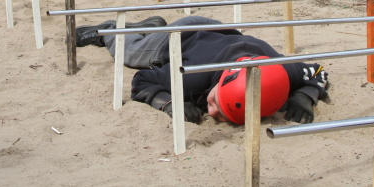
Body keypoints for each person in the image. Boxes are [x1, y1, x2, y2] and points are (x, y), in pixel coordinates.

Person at [76, 15, 330, 125]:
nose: (210, 111)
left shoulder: (283, 72)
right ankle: (108, 30)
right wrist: (168, 102)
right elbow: (142, 81)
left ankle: (151, 24)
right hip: (182, 35)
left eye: (216, 109)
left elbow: (318, 71)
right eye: (215, 103)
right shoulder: (194, 74)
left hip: (219, 33)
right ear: (220, 82)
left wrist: (303, 96)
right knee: (132, 53)